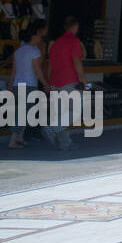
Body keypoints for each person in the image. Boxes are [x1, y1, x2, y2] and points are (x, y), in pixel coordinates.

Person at [45, 16, 87, 151]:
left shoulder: (55, 43)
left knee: (60, 114)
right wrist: (83, 79)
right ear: (75, 27)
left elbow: (50, 66)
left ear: (65, 27)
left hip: (55, 83)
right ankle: (51, 129)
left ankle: (65, 143)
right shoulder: (74, 41)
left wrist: (48, 83)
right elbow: (76, 61)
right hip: (68, 82)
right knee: (74, 111)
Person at [8, 20, 47, 148]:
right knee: (24, 113)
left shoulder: (18, 51)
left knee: (23, 111)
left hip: (17, 85)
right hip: (29, 85)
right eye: (37, 35)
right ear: (33, 36)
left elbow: (14, 71)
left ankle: (19, 138)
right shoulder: (34, 51)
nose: (39, 37)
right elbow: (37, 71)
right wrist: (45, 84)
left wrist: (10, 84)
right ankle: (13, 141)